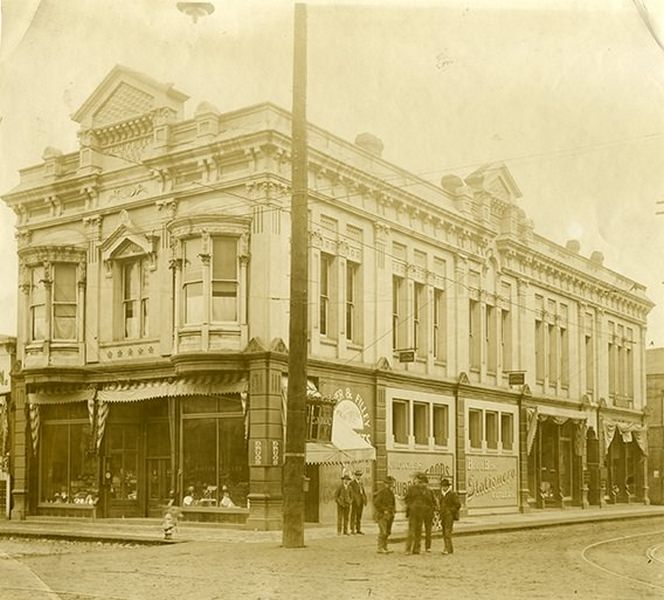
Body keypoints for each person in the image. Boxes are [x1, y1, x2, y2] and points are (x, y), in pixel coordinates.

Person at [404, 473, 435, 555]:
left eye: (422, 482)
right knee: (412, 531)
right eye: (419, 482)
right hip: (414, 513)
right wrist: (411, 506)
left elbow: (431, 502)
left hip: (421, 514)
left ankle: (415, 549)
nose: (421, 484)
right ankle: (409, 549)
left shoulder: (427, 491)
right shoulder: (413, 489)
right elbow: (406, 499)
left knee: (418, 531)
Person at [373, 475, 396, 554]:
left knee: (388, 532)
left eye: (391, 484)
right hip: (382, 515)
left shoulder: (391, 493)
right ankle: (380, 548)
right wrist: (384, 510)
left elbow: (393, 503)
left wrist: (393, 511)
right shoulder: (382, 492)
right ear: (385, 484)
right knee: (383, 531)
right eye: (389, 483)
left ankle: (385, 547)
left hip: (390, 515)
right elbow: (376, 503)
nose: (390, 485)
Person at [439, 478, 461, 555]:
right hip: (443, 516)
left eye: (445, 486)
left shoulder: (452, 494)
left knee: (447, 532)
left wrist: (450, 511)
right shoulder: (442, 495)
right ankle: (448, 548)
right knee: (444, 533)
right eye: (443, 486)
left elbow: (458, 505)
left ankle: (447, 549)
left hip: (449, 516)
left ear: (448, 487)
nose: (444, 488)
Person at [349, 468, 368, 534]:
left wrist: (365, 500)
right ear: (355, 476)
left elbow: (363, 492)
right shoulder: (352, 483)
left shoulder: (361, 483)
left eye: (359, 475)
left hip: (361, 502)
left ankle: (358, 529)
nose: (358, 476)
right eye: (357, 475)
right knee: (353, 516)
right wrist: (355, 499)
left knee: (359, 516)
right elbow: (351, 492)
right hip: (355, 502)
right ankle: (352, 529)